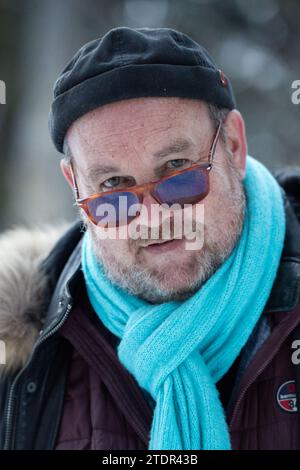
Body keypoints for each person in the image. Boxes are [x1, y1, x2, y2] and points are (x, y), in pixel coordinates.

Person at [0, 26, 300, 450]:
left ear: (233, 146)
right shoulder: (22, 351)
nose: (153, 217)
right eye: (114, 187)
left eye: (177, 169)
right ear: (76, 187)